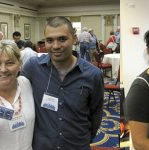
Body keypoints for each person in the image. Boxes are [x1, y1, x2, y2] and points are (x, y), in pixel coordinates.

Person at [21, 16, 104, 150]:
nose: (55, 46)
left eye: (62, 39)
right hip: (42, 146)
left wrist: (82, 139)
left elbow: (96, 115)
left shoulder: (93, 75)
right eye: (49, 40)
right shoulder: (33, 67)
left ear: (74, 39)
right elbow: (13, 92)